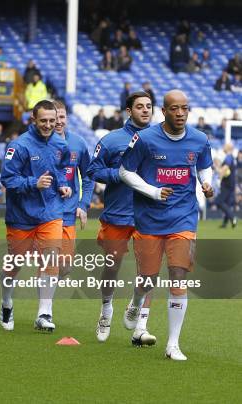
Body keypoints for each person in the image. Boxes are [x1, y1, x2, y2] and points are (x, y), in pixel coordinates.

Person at [119, 90, 214, 360]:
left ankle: (173, 344)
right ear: (164, 111)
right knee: (148, 279)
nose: (180, 113)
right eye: (174, 108)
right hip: (149, 220)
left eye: (185, 108)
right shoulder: (145, 139)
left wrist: (208, 183)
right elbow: (125, 171)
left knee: (178, 276)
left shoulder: (199, 139)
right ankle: (136, 302)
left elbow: (204, 166)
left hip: (183, 218)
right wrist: (152, 191)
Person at [87, 91, 156, 345]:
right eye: (140, 106)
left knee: (147, 271)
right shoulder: (110, 140)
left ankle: (140, 325)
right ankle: (106, 311)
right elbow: (92, 170)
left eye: (149, 106)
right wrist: (121, 174)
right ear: (129, 111)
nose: (145, 110)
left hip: (148, 215)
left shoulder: (159, 139)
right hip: (116, 214)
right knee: (111, 268)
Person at [0, 100, 72, 332]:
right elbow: (7, 179)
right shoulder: (19, 146)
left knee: (51, 259)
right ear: (33, 119)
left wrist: (63, 186)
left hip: (50, 211)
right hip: (21, 215)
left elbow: (60, 170)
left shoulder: (61, 144)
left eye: (52, 120)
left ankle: (44, 313)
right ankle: (6, 302)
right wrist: (34, 183)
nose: (49, 125)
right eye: (44, 121)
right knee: (16, 263)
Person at [52, 100, 94, 278]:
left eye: (62, 117)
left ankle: (46, 303)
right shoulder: (37, 144)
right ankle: (44, 306)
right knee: (48, 266)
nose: (58, 121)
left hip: (68, 212)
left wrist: (83, 204)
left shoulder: (78, 143)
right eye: (54, 118)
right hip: (45, 213)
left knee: (64, 268)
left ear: (66, 118)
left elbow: (89, 176)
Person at [216, 143, 237, 228]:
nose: (223, 147)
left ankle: (232, 217)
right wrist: (218, 168)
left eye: (224, 146)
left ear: (228, 148)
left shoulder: (228, 157)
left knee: (219, 202)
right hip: (231, 184)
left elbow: (224, 169)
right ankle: (225, 223)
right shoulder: (232, 157)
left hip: (226, 184)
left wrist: (218, 179)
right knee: (227, 204)